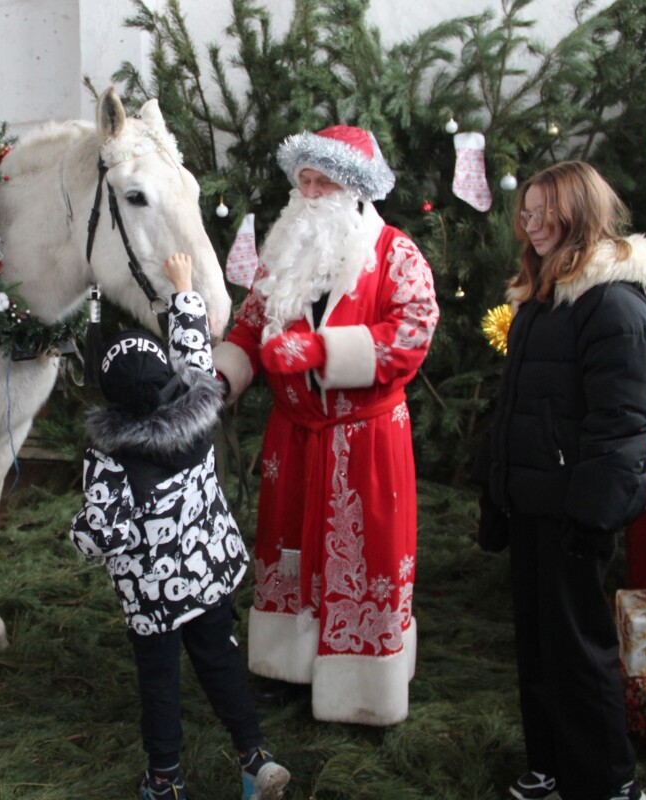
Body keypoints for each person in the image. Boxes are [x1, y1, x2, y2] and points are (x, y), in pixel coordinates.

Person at [211, 124, 439, 726]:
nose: (308, 193)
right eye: (303, 180)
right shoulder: (280, 256)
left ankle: (366, 689)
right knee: (286, 550)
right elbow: (246, 327)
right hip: (295, 438)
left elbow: (413, 333)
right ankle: (287, 668)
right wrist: (224, 378)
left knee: (364, 558)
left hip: (364, 443)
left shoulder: (395, 254)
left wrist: (323, 352)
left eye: (323, 181)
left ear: (354, 191)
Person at [475, 160, 646, 800]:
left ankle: (608, 782)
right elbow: (523, 410)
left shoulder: (614, 303)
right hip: (535, 503)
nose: (532, 226)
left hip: (575, 513)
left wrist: (594, 518)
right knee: (538, 645)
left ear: (581, 214)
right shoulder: (544, 297)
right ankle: (550, 766)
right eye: (527, 213)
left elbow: (622, 425)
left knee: (580, 650)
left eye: (547, 213)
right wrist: (501, 494)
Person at [69, 253, 290, 800]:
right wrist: (183, 286)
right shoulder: (200, 407)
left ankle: (165, 780)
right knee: (221, 662)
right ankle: (254, 757)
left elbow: (107, 533)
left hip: (153, 600)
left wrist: (79, 533)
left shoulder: (109, 457)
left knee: (160, 684)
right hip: (209, 579)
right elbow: (193, 348)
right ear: (167, 377)